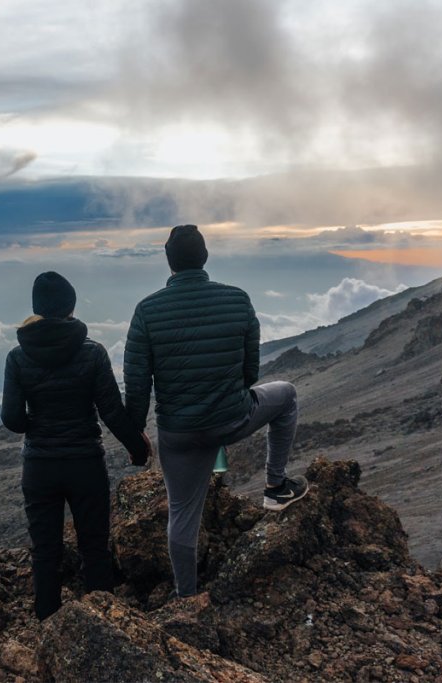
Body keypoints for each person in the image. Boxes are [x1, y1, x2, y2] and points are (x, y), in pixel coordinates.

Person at [123, 225, 308, 599]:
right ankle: (275, 486)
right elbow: (250, 373)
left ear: (169, 260)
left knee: (182, 514)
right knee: (285, 395)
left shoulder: (146, 311)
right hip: (231, 418)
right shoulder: (237, 300)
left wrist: (135, 438)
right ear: (204, 257)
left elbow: (138, 385)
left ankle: (187, 598)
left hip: (179, 432)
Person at [1, 271, 151, 620]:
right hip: (85, 463)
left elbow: (11, 418)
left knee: (45, 550)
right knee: (94, 546)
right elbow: (112, 411)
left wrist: (33, 425)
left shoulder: (17, 356)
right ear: (71, 306)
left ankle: (48, 626)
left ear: (37, 308)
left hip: (40, 465)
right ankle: (104, 620)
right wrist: (138, 448)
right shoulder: (93, 353)